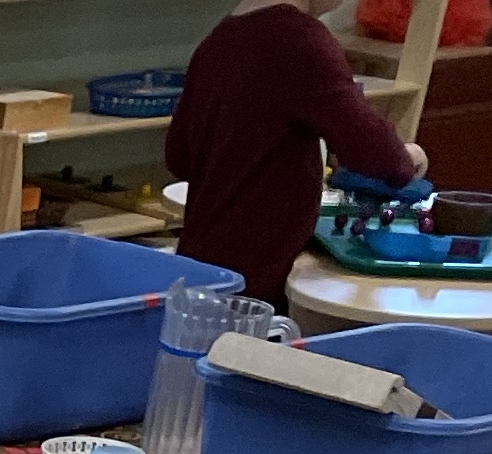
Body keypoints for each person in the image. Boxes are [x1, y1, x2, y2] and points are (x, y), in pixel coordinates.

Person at [167, 0, 423, 307]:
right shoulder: (300, 40)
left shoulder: (218, 40)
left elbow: (179, 157)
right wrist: (409, 156)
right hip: (255, 281)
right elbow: (380, 157)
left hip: (199, 268)